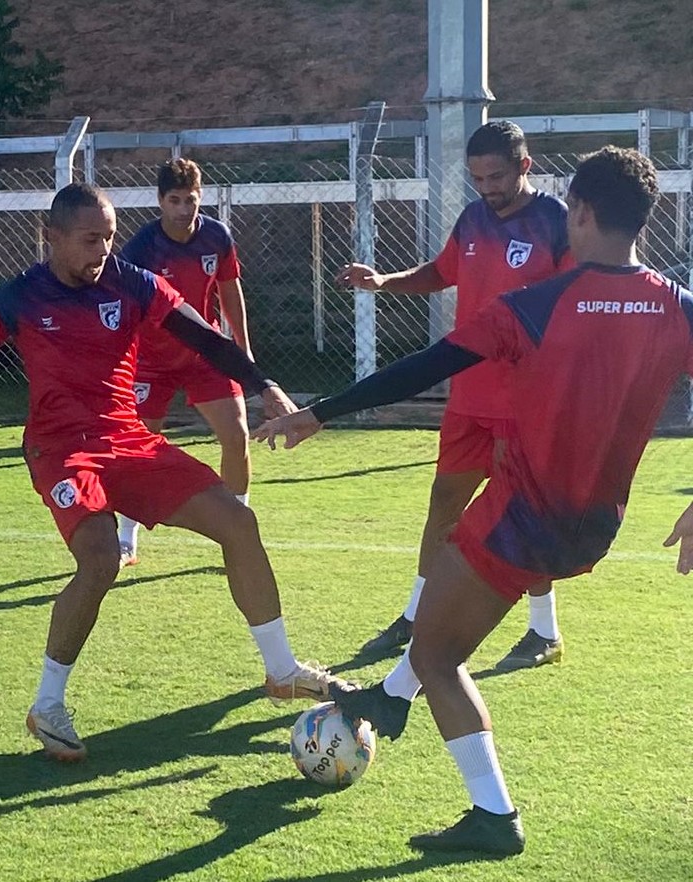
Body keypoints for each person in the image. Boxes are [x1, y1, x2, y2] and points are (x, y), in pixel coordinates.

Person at [254, 146, 692, 855]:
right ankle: (387, 703)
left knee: (437, 656)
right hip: (592, 527)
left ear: (577, 212)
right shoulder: (677, 309)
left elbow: (426, 366)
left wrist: (320, 412)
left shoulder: (534, 306)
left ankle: (493, 817)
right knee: (438, 627)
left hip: (520, 516)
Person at [0, 182, 345, 762]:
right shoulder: (18, 297)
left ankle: (281, 671)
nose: (104, 249)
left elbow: (203, 335)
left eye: (111, 236)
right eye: (91, 238)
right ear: (52, 237)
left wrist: (265, 387)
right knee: (100, 561)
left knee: (238, 523)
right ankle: (47, 706)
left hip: (129, 439)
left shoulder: (132, 282)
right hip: (60, 449)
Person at [338, 121, 572, 671]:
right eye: (477, 178)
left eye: (496, 176)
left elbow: (576, 302)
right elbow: (443, 272)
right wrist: (384, 282)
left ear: (525, 166)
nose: (487, 187)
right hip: (468, 396)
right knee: (443, 503)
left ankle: (545, 631)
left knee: (524, 515)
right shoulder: (472, 218)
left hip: (525, 404)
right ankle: (416, 614)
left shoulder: (556, 222)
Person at [115, 159, 254, 567]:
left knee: (237, 434)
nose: (183, 209)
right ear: (160, 201)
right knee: (137, 449)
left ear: (201, 197)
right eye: (174, 200)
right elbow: (124, 307)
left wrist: (242, 348)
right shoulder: (141, 247)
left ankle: (238, 528)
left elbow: (230, 291)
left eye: (190, 199)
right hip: (151, 360)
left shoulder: (216, 236)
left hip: (205, 351)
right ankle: (127, 537)